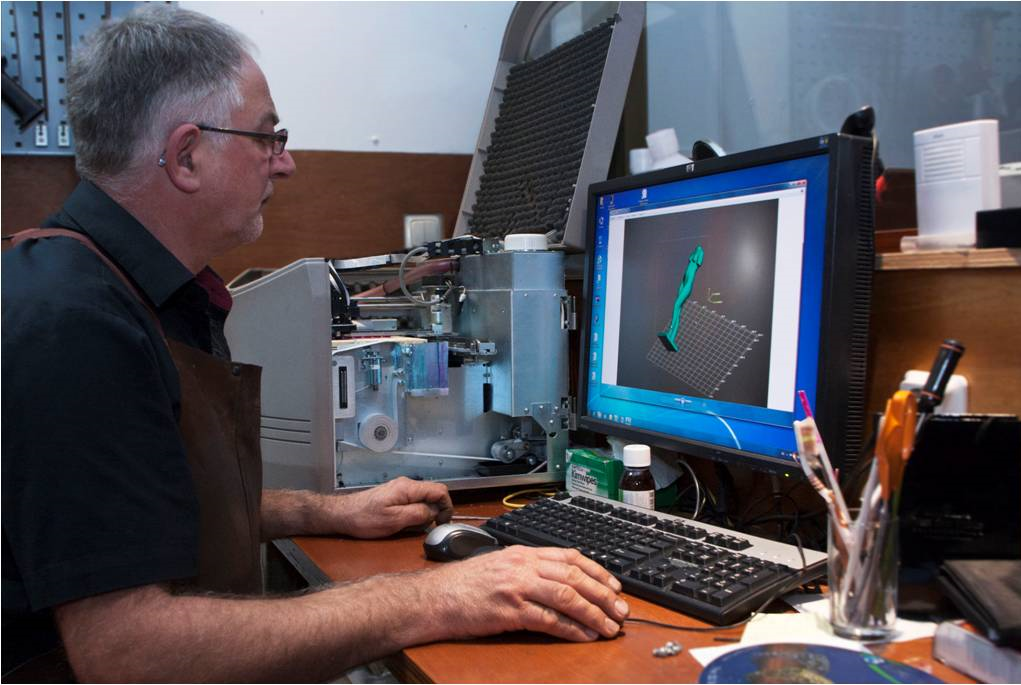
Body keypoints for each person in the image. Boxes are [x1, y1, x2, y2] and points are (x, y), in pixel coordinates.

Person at [1, 6, 628, 682]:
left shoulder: (133, 289)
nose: (287, 163)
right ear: (186, 156)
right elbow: (128, 651)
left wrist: (329, 511)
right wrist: (434, 598)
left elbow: (147, 504)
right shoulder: (74, 325)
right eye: (267, 137)